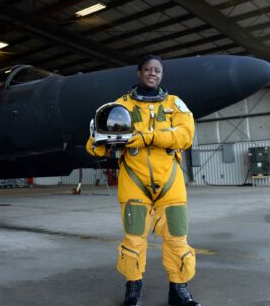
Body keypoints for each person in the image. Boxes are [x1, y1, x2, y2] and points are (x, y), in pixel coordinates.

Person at [85, 55, 200, 306]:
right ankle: (133, 287)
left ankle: (179, 289)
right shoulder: (120, 105)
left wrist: (149, 136)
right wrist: (100, 144)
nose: (152, 74)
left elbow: (185, 135)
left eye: (157, 70)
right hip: (134, 181)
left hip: (170, 183)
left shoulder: (175, 104)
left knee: (177, 237)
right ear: (139, 73)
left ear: (162, 75)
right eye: (147, 69)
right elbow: (96, 140)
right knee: (134, 239)